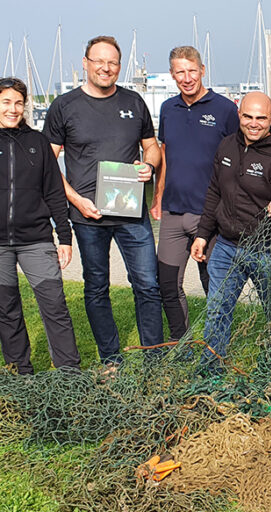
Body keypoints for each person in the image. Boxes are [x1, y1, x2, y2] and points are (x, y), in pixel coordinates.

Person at [43, 36, 163, 367]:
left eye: (112, 62)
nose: (105, 67)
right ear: (85, 62)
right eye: (98, 61)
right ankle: (112, 359)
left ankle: (154, 359)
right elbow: (48, 162)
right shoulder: (64, 107)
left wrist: (148, 165)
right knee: (97, 288)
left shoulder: (134, 102)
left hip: (131, 212)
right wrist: (76, 200)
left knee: (148, 286)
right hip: (87, 216)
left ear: (119, 67)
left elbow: (152, 146)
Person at [191, 91, 271, 371]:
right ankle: (210, 369)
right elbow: (214, 191)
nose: (253, 123)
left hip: (268, 250)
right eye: (248, 116)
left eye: (261, 118)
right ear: (239, 115)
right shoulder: (226, 146)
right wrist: (203, 235)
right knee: (217, 310)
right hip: (226, 246)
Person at [153, 46, 239, 343]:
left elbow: (238, 158)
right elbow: (165, 155)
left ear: (202, 70)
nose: (187, 78)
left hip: (211, 214)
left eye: (192, 70)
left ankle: (217, 344)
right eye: (180, 72)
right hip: (173, 213)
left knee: (213, 283)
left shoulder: (225, 109)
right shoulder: (168, 109)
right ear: (172, 75)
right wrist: (157, 198)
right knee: (167, 284)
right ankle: (181, 342)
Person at [0, 77, 80, 374]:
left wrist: (65, 236)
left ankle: (69, 372)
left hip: (36, 239)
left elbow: (54, 192)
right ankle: (20, 371)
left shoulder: (37, 143)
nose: (13, 109)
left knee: (54, 304)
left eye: (18, 103)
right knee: (7, 310)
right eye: (6, 102)